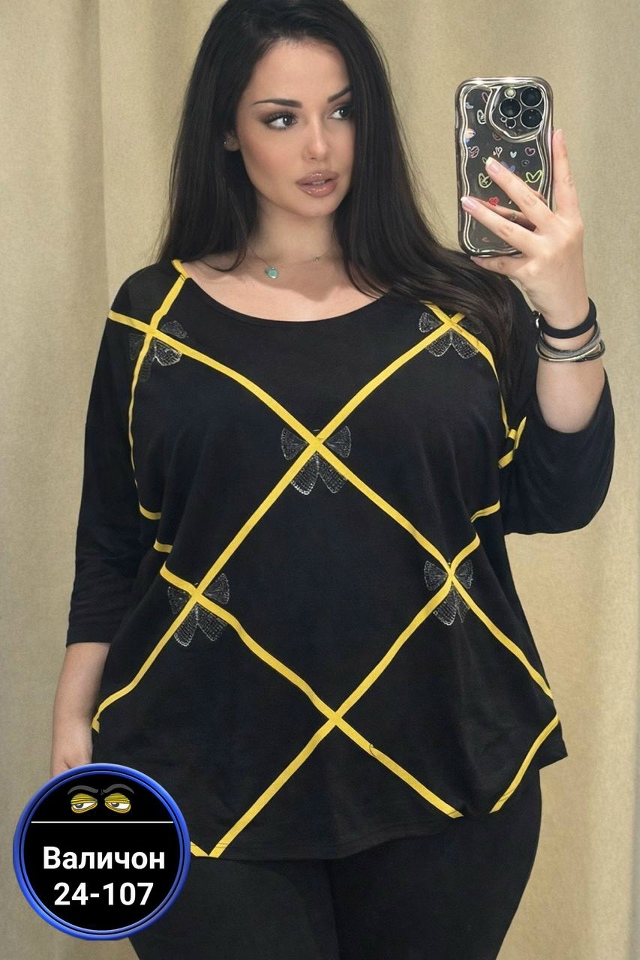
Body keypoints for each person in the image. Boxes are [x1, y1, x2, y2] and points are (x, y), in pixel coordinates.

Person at [49, 0, 615, 957]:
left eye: (343, 110)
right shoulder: (151, 316)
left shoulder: (464, 305)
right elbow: (113, 538)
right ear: (227, 131)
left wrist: (565, 309)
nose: (320, 146)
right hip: (197, 768)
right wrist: (73, 713)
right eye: (281, 117)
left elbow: (558, 497)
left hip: (448, 767)